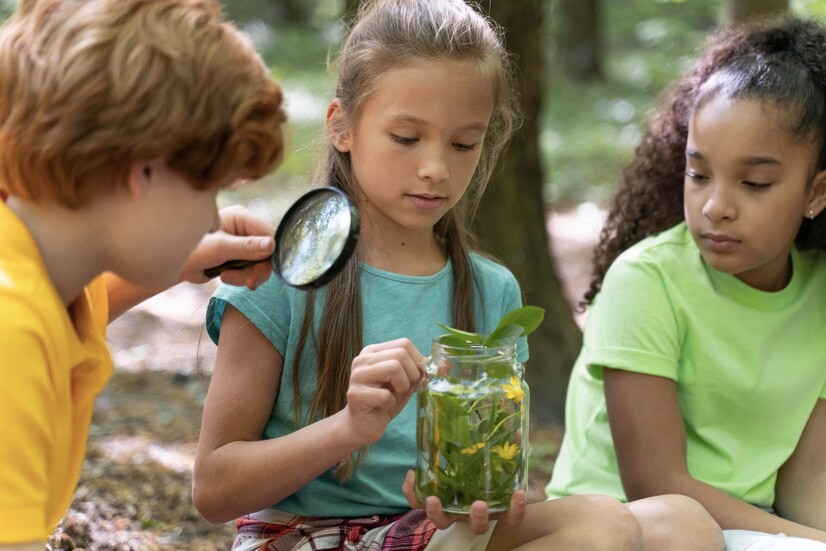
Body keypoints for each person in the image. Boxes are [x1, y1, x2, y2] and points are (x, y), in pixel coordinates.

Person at [192, 1, 722, 549]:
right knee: (601, 527)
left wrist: (484, 491)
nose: (436, 169)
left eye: (463, 143)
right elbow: (213, 490)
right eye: (406, 138)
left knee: (684, 523)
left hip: (431, 535)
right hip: (308, 535)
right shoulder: (283, 277)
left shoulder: (493, 292)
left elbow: (486, 490)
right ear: (342, 128)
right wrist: (347, 429)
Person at [0, 0, 288, 548]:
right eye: (206, 190)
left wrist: (175, 259)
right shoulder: (10, 335)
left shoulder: (30, 263)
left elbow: (75, 307)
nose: (209, 216)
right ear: (145, 171)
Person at [545, 14, 826, 550]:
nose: (716, 207)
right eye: (698, 175)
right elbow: (656, 482)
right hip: (631, 527)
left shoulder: (820, 295)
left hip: (752, 526)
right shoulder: (646, 281)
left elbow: (808, 480)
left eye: (755, 182)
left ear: (816, 194)